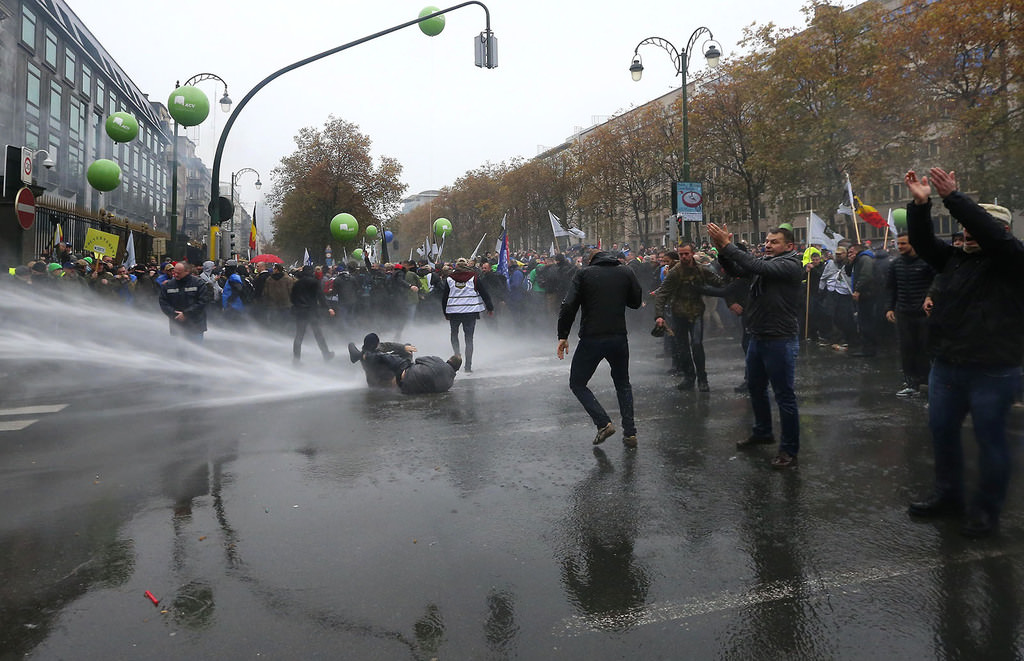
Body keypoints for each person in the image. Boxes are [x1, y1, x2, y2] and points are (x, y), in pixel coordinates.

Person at [904, 167, 1024, 538]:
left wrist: (954, 198)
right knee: (942, 432)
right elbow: (924, 244)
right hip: (948, 364)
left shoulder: (1011, 260)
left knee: (990, 440)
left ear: (998, 230)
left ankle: (987, 512)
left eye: (975, 228)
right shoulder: (956, 259)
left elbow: (989, 233)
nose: (966, 233)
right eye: (964, 229)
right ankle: (949, 497)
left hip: (993, 368)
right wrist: (921, 206)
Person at [707, 223, 804, 468]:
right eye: (767, 241)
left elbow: (754, 265)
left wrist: (729, 245)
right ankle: (762, 432)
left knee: (784, 395)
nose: (768, 245)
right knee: (755, 387)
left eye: (774, 242)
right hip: (758, 336)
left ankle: (789, 450)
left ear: (789, 246)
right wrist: (721, 250)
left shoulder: (790, 264)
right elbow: (737, 269)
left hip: (780, 338)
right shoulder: (767, 264)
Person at [557, 248, 643, 448]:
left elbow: (568, 305)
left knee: (577, 383)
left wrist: (563, 335)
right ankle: (630, 433)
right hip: (618, 336)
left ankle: (603, 423)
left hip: (592, 337)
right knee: (623, 383)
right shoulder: (626, 271)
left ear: (591, 260)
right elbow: (636, 302)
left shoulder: (584, 273)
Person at [653, 242, 724, 391]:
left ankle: (702, 379)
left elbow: (719, 283)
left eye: (686, 253)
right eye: (681, 254)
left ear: (692, 253)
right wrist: (659, 316)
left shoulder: (701, 270)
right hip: (679, 313)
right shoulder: (675, 272)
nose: (684, 257)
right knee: (683, 347)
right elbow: (662, 293)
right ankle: (689, 377)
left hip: (696, 312)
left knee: (697, 345)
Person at [885, 232, 935, 397]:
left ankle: (929, 381)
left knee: (926, 349)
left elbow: (936, 284)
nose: (899, 247)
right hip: (904, 313)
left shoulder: (927, 262)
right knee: (907, 349)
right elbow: (891, 288)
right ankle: (911, 383)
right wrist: (889, 308)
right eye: (898, 244)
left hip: (923, 315)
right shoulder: (895, 264)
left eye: (903, 244)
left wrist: (931, 300)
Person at [348, 332, 461, 394]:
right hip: (392, 378)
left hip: (394, 377)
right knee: (392, 357)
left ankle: (402, 358)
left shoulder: (368, 353)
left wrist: (403, 347)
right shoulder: (372, 356)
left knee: (403, 349)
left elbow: (389, 345)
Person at [442, 257, 494, 373]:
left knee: (454, 334)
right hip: (470, 312)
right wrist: (490, 307)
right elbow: (484, 293)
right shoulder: (474, 277)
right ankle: (468, 366)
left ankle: (457, 355)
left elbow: (445, 297)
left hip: (454, 311)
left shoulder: (449, 279)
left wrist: (445, 312)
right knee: (469, 338)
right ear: (466, 265)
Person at [158, 261, 213, 343]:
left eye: (179, 273)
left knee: (195, 352)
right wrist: (174, 313)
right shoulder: (168, 285)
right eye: (174, 272)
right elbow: (163, 302)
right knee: (180, 353)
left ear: (187, 272)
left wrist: (186, 314)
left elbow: (203, 302)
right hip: (177, 326)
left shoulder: (198, 283)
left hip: (195, 326)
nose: (175, 275)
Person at [290, 264, 335, 362]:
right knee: (318, 334)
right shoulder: (314, 282)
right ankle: (326, 354)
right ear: (311, 272)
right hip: (311, 311)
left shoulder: (297, 284)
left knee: (299, 336)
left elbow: (292, 298)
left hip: (300, 312)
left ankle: (296, 359)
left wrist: (298, 306)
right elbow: (321, 297)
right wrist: (328, 308)